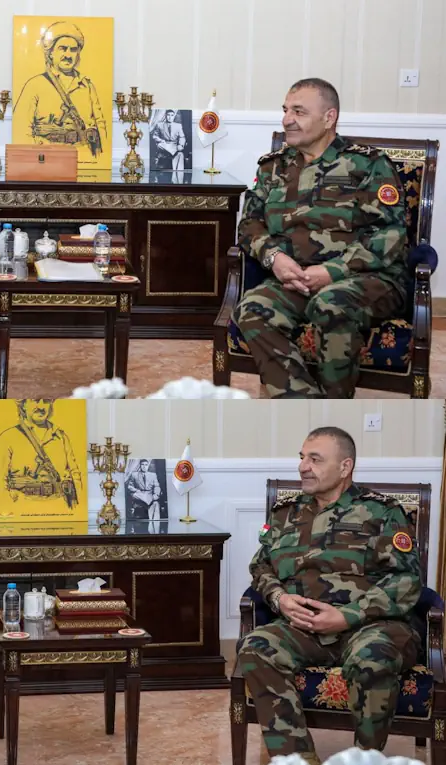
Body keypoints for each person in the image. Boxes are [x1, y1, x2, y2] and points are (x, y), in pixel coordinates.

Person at [236, 427, 422, 765]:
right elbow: (260, 566)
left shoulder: (382, 512)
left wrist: (347, 616)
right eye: (302, 458)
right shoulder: (285, 513)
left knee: (373, 659)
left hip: (369, 626)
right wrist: (279, 599)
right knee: (255, 648)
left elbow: (407, 581)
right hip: (302, 626)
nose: (303, 467)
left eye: (315, 459)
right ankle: (298, 759)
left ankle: (365, 759)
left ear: (345, 466)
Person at [232, 78, 408, 399]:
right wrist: (274, 258)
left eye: (299, 112)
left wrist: (332, 271)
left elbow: (390, 235)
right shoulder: (274, 167)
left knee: (331, 303)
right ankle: (306, 407)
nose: (287, 119)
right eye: (285, 110)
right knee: (253, 309)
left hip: (365, 279)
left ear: (329, 118)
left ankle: (334, 407)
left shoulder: (368, 165)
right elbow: (250, 225)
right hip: (297, 279)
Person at [13, 21, 107, 163]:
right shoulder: (35, 85)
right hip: (46, 158)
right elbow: (21, 130)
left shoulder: (87, 86)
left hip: (83, 157)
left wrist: (100, 160)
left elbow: (100, 127)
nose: (68, 55)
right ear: (51, 53)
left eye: (73, 50)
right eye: (62, 49)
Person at [0, 398, 83, 509]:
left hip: (60, 506)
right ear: (23, 404)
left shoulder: (61, 437)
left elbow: (75, 475)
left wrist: (77, 508)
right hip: (21, 507)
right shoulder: (8, 437)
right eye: (35, 400)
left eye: (46, 401)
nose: (41, 406)